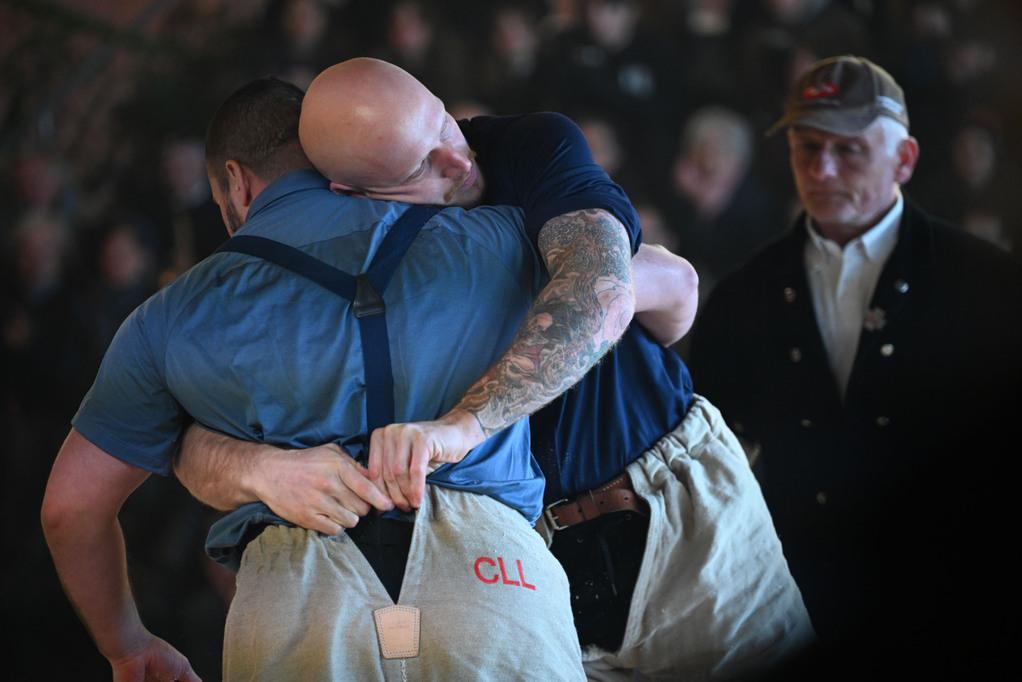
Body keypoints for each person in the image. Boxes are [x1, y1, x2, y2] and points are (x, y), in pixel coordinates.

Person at [177, 58, 814, 680]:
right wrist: (266, 471)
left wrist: (465, 423)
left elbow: (630, 288)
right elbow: (168, 431)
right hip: (521, 566)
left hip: (672, 500)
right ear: (352, 194)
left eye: (445, 122)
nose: (459, 159)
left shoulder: (523, 146)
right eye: (421, 164)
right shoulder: (309, 273)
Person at [40, 75, 642, 681]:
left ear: (236, 182)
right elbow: (640, 283)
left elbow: (71, 509)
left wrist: (128, 644)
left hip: (295, 603)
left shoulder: (166, 318)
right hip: (493, 586)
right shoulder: (497, 235)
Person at [689, 55, 1022, 676]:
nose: (822, 169)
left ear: (905, 160)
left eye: (849, 150)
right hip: (793, 607)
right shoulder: (745, 296)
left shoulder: (987, 285)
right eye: (806, 147)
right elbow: (711, 449)